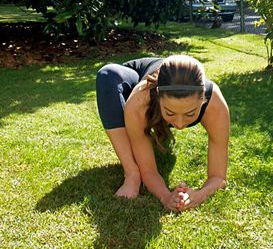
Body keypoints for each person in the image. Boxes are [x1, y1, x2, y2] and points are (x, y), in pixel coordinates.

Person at [96, 55, 230, 211]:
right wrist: (166, 197)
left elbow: (219, 177)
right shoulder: (140, 99)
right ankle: (131, 174)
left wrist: (199, 195)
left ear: (203, 99)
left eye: (190, 114)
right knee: (107, 75)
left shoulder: (216, 105)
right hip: (135, 76)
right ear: (158, 97)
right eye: (170, 113)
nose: (179, 124)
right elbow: (149, 171)